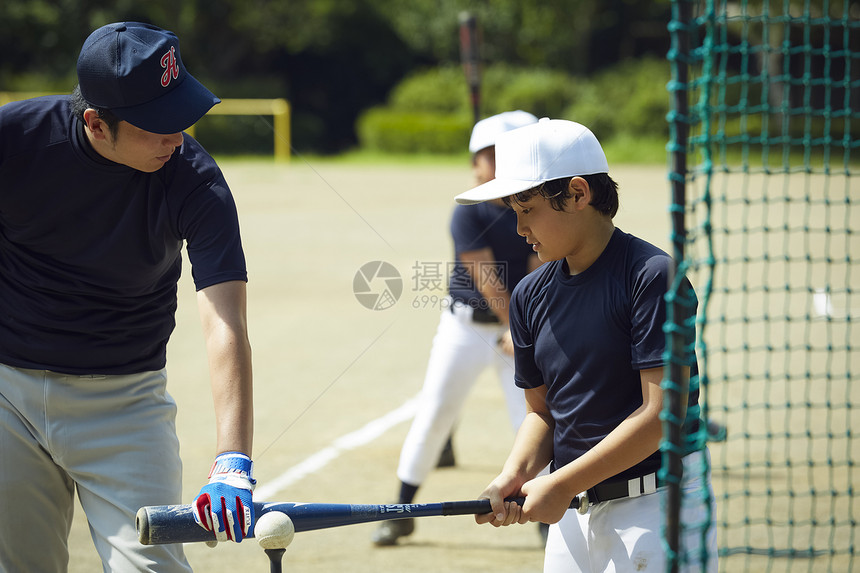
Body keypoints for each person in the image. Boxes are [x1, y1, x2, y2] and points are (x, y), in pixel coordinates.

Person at [0, 22, 256, 572]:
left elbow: (223, 320)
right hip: (7, 395)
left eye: (182, 114)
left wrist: (232, 460)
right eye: (158, 125)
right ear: (96, 122)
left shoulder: (194, 180)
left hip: (125, 404)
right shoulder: (14, 141)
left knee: (154, 567)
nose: (178, 135)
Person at [456, 118, 718, 572]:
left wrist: (558, 485)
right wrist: (515, 475)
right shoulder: (528, 294)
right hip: (574, 513)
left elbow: (661, 416)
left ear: (578, 194)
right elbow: (542, 412)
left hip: (658, 507)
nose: (519, 228)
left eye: (527, 209)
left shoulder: (652, 277)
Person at [372, 111, 543, 546]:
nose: (496, 165)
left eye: (507, 156)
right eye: (490, 156)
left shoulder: (531, 207)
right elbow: (486, 279)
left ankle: (545, 519)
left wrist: (523, 333)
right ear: (476, 162)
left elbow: (535, 271)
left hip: (517, 331)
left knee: (532, 420)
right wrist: (517, 328)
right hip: (465, 327)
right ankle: (402, 510)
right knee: (434, 413)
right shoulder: (467, 211)